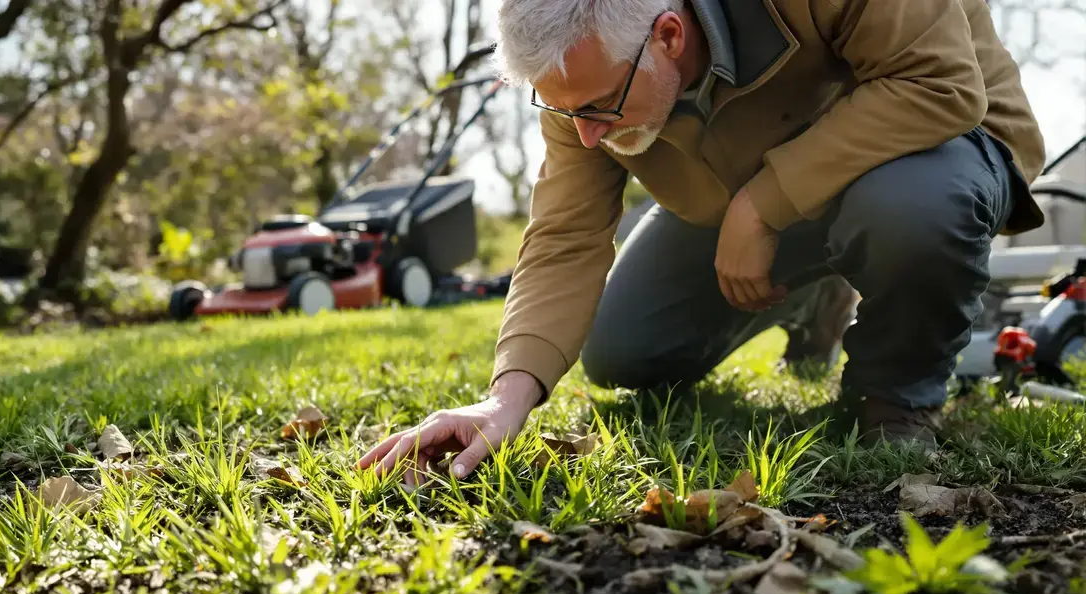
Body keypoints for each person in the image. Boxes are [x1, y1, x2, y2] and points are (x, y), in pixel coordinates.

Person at [358, 0, 1047, 488]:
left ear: (668, 34)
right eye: (567, 112)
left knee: (910, 208)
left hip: (936, 144)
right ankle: (816, 295)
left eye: (597, 108)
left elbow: (937, 84)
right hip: (747, 193)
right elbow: (565, 235)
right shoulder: (586, 83)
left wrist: (761, 206)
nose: (587, 133)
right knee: (624, 350)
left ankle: (895, 398)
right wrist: (507, 397)